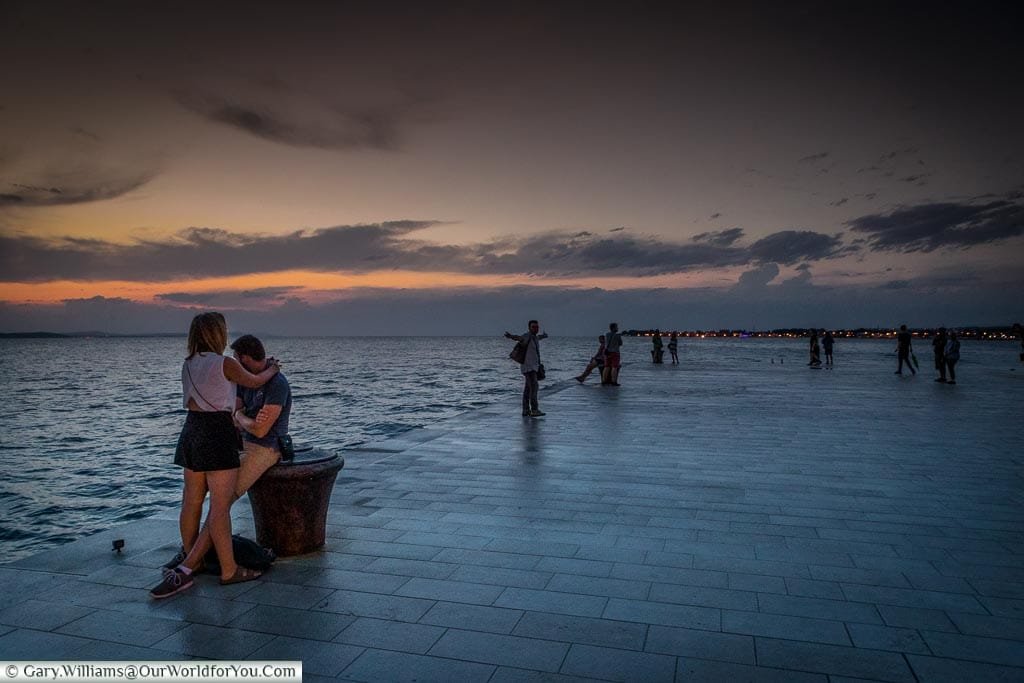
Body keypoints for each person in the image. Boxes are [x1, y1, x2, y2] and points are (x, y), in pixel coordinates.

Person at [149, 313, 279, 599]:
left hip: (191, 431)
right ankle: (229, 570)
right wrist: (271, 368)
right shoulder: (224, 363)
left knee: (191, 500)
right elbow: (255, 381)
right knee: (220, 507)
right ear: (217, 334)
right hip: (217, 432)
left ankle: (191, 560)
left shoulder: (188, 364)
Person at [505, 320, 547, 417]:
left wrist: (544, 336)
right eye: (533, 327)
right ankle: (534, 410)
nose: (536, 329)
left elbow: (539, 337)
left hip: (533, 367)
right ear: (529, 328)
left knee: (528, 389)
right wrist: (510, 336)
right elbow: (518, 338)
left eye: (537, 327)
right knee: (534, 388)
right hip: (528, 367)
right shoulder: (526, 336)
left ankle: (526, 410)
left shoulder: (535, 338)